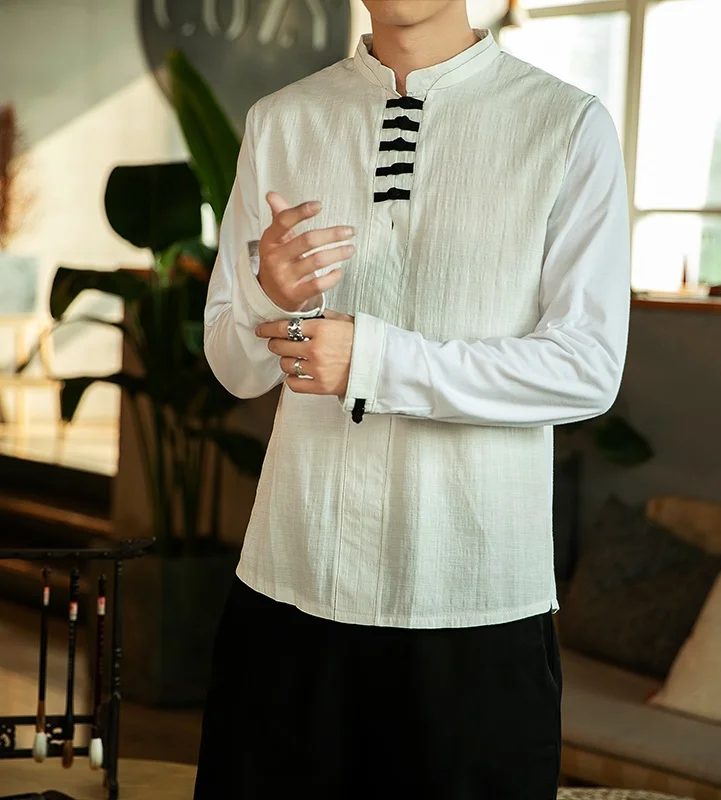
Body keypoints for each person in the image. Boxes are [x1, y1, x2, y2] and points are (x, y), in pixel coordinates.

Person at [193, 0, 630, 797]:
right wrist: (265, 295)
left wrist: (378, 360)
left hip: (474, 606)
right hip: (292, 589)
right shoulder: (281, 121)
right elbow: (232, 366)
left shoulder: (567, 125)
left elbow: (586, 367)